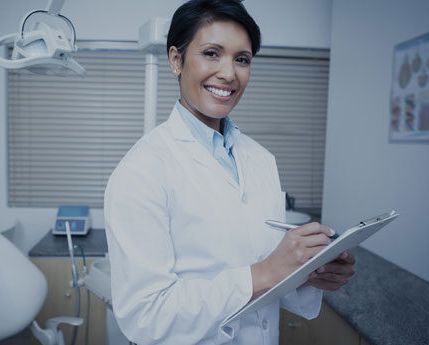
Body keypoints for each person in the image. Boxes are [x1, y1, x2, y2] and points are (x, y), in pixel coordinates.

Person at [104, 1, 355, 344]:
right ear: (176, 60)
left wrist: (307, 274)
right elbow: (146, 315)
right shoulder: (142, 170)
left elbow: (265, 272)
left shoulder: (261, 159)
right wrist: (264, 273)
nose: (228, 73)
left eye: (242, 59)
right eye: (211, 53)